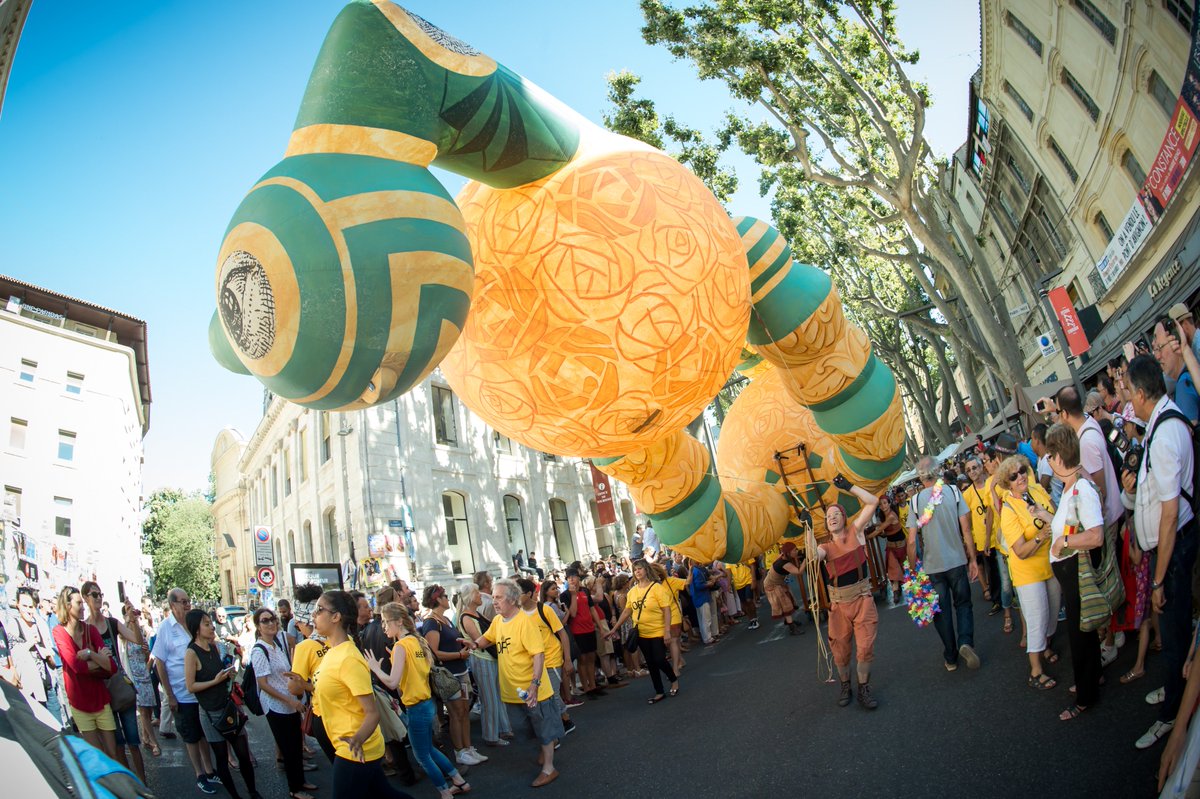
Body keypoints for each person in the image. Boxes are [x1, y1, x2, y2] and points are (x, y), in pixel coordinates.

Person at [1122, 355, 1197, 749]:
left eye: (1125, 389)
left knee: (1174, 631)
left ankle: (1173, 714)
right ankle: (1173, 690)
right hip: (1170, 547)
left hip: (1176, 549)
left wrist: (1158, 578)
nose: (1124, 397)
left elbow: (1169, 514)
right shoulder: (1158, 423)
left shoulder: (1166, 432)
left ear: (1138, 392)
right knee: (1174, 630)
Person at [310, 591, 414, 799]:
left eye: (319, 610)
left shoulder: (348, 658)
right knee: (384, 794)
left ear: (336, 617)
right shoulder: (333, 650)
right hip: (349, 745)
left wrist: (357, 740)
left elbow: (372, 712)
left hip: (355, 749)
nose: (314, 615)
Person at [367, 602, 468, 799]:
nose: (384, 627)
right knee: (427, 748)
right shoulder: (415, 641)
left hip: (416, 706)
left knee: (422, 756)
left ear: (398, 621)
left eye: (386, 622)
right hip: (427, 702)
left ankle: (445, 792)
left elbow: (393, 683)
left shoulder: (400, 646)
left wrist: (375, 668)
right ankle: (458, 781)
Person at [469, 579, 564, 788]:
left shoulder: (525, 622)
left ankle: (549, 767)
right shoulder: (498, 621)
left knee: (543, 727)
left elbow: (538, 655)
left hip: (533, 690)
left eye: (498, 597)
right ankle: (546, 744)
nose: (494, 602)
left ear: (512, 599)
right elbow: (488, 638)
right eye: (493, 597)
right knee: (523, 729)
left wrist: (535, 684)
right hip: (512, 691)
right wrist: (474, 644)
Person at [1040, 423, 1106, 721]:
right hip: (1070, 570)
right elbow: (1069, 521)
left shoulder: (1080, 486)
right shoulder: (1072, 485)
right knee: (1084, 632)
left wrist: (1063, 541)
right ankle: (1091, 679)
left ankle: (1085, 697)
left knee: (1080, 635)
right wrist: (1048, 518)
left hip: (1076, 569)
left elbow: (1095, 535)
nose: (1048, 462)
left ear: (1056, 457)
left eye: (1049, 456)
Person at [806, 481, 881, 709]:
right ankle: (845, 685)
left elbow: (873, 501)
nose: (832, 517)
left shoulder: (855, 533)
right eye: (829, 516)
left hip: (863, 601)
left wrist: (849, 486)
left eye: (836, 514)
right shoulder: (825, 548)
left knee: (866, 647)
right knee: (840, 651)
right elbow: (811, 557)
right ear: (827, 525)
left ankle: (863, 688)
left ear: (844, 518)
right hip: (839, 606)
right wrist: (808, 529)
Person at [906, 456, 980, 671]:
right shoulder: (955, 492)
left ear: (920, 477)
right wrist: (973, 559)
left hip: (932, 567)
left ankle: (951, 655)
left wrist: (914, 570)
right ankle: (965, 641)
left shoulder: (914, 501)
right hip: (956, 561)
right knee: (964, 604)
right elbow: (966, 530)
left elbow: (911, 542)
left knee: (941, 611)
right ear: (939, 472)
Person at [995, 456, 1060, 692]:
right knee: (1037, 618)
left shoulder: (1036, 489)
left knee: (1053, 614)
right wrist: (1042, 537)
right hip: (1027, 571)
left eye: (1022, 471)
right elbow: (1021, 551)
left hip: (1051, 562)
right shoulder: (1009, 509)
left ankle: (1046, 646)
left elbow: (1056, 511)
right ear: (1007, 483)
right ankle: (1035, 670)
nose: (1020, 476)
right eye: (1013, 476)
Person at [184, 609, 262, 799]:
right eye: (206, 624)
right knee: (221, 758)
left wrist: (229, 676)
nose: (212, 627)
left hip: (228, 707)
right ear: (196, 628)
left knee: (243, 754)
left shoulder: (214, 646)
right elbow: (190, 686)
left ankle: (253, 792)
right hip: (210, 713)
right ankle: (236, 796)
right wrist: (215, 681)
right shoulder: (191, 653)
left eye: (210, 623)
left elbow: (221, 676)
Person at [152, 588, 217, 792]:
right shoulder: (165, 628)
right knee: (191, 736)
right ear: (172, 605)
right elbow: (160, 663)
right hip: (182, 693)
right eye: (183, 602)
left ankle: (210, 769)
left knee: (205, 733)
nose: (188, 605)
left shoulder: (193, 624)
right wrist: (170, 695)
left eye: (189, 601)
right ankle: (199, 774)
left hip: (202, 692)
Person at [81, 582, 146, 783]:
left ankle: (143, 786)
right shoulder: (83, 629)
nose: (99, 598)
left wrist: (132, 619)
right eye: (94, 595)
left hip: (120, 686)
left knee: (133, 742)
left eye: (100, 594)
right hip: (101, 690)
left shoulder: (112, 622)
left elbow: (137, 639)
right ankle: (130, 785)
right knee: (117, 745)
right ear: (85, 597)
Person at [249, 607, 314, 799]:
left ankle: (301, 781)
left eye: (273, 620)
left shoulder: (277, 644)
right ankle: (294, 789)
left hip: (290, 702)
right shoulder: (259, 650)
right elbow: (263, 684)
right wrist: (289, 701)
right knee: (288, 748)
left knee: (296, 744)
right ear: (258, 626)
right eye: (265, 621)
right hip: (276, 705)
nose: (271, 624)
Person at [419, 584, 484, 766]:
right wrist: (459, 654)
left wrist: (461, 643)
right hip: (450, 675)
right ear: (438, 599)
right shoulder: (431, 622)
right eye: (445, 595)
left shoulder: (445, 620)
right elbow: (435, 653)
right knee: (456, 713)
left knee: (463, 710)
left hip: (460, 671)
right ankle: (460, 750)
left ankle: (468, 747)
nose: (448, 598)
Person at [51, 586, 117, 759]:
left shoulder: (91, 630)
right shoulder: (59, 632)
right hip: (80, 702)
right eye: (78, 603)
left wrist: (89, 654)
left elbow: (111, 666)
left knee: (113, 754)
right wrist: (98, 661)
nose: (82, 607)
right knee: (97, 756)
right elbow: (75, 667)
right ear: (66, 605)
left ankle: (119, 786)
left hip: (101, 699)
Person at [606, 560, 679, 704]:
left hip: (657, 630)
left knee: (659, 659)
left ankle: (673, 680)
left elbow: (666, 609)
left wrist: (667, 631)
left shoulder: (656, 588)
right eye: (635, 570)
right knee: (651, 663)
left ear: (646, 570)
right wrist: (614, 629)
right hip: (642, 632)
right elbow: (627, 610)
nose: (637, 572)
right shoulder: (632, 592)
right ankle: (659, 691)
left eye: (640, 569)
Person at [455, 582, 515, 747]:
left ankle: (503, 728)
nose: (480, 595)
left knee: (498, 696)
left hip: (489, 659)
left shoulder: (475, 614)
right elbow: (481, 640)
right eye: (477, 593)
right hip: (482, 660)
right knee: (489, 699)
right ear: (469, 597)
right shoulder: (467, 617)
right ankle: (491, 735)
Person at [521, 578, 577, 736]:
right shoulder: (518, 614)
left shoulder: (544, 610)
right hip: (534, 662)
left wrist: (567, 660)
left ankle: (553, 734)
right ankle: (565, 720)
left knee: (551, 695)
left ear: (529, 593)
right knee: (546, 695)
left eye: (518, 593)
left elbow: (562, 633)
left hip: (551, 658)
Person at [10, 587, 61, 723]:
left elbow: (50, 653)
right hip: (31, 688)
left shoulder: (40, 623)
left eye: (31, 607)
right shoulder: (14, 625)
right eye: (24, 606)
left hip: (49, 684)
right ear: (18, 605)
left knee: (59, 728)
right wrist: (30, 642)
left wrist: (48, 655)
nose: (28, 610)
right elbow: (13, 655)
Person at [120, 601, 160, 757]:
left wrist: (146, 652)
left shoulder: (139, 632)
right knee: (143, 710)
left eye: (136, 614)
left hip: (144, 673)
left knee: (148, 709)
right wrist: (129, 618)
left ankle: (145, 736)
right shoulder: (122, 633)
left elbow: (144, 654)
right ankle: (154, 742)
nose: (134, 616)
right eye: (131, 613)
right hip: (133, 676)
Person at [564, 569, 604, 698]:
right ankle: (586, 687)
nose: (571, 579)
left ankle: (593, 685)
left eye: (573, 577)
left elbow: (592, 609)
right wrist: (573, 595)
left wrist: (600, 627)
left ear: (578, 578)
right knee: (582, 659)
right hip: (577, 630)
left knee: (591, 657)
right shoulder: (565, 595)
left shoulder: (585, 591)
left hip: (589, 628)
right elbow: (573, 613)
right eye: (568, 577)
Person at [1155, 317, 1200, 423]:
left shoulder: (1184, 384)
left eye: (1159, 347)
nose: (1157, 356)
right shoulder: (1185, 378)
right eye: (1155, 350)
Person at [762, 543, 805, 635]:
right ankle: (792, 628)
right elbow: (799, 572)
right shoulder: (784, 563)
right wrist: (806, 559)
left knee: (788, 600)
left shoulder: (783, 557)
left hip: (778, 583)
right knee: (786, 605)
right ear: (788, 553)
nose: (796, 551)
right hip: (772, 586)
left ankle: (788, 621)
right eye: (794, 550)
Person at [876, 495, 906, 607]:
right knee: (893, 569)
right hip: (891, 547)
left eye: (885, 503)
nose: (883, 506)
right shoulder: (884, 516)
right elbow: (885, 531)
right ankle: (896, 592)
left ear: (889, 503)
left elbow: (880, 529)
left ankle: (901, 590)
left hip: (901, 546)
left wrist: (868, 536)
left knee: (906, 569)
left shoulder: (892, 515)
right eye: (881, 504)